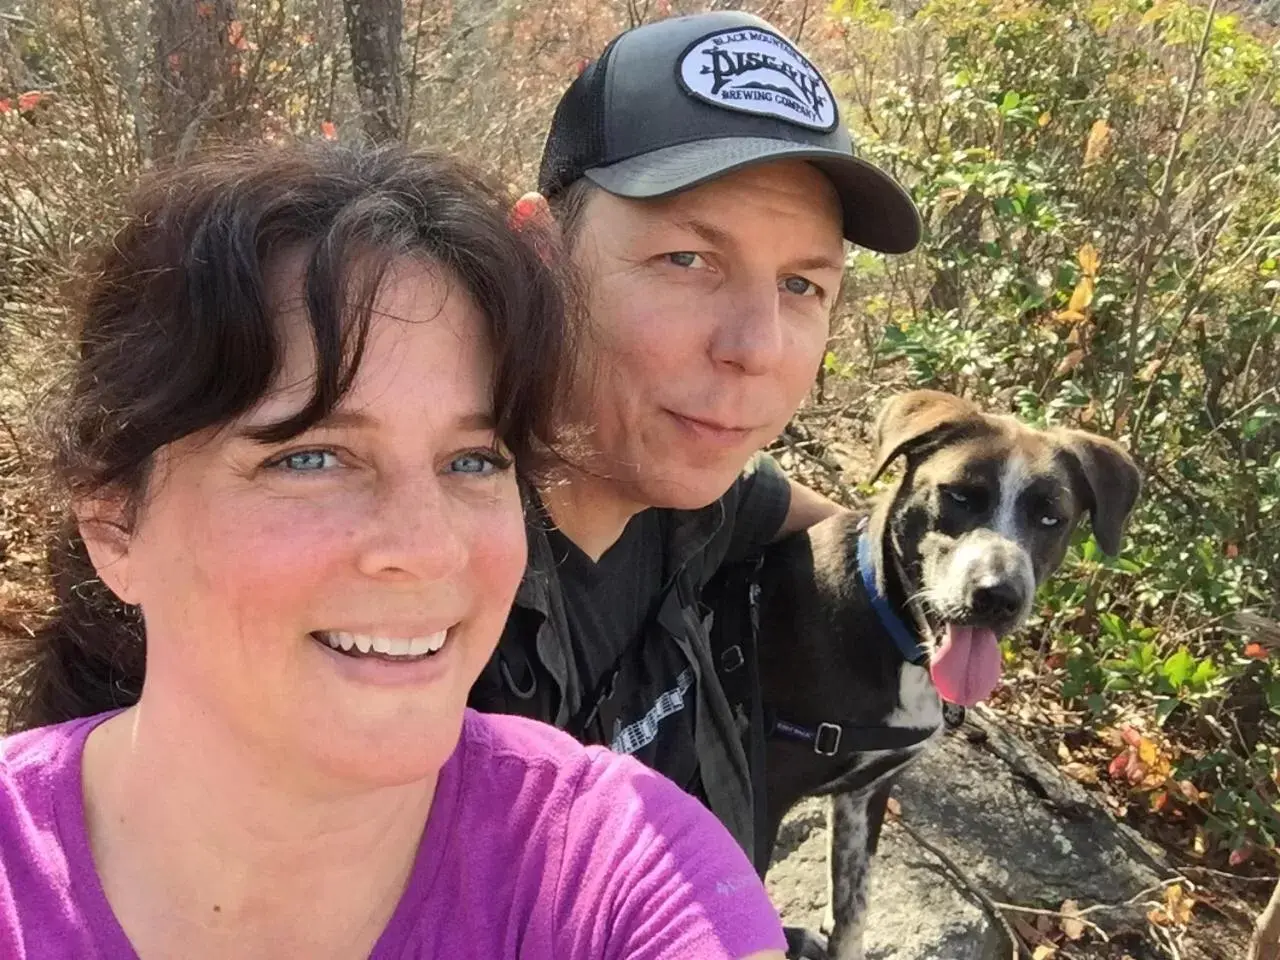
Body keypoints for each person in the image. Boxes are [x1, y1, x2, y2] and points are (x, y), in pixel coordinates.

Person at [0, 143, 788, 960]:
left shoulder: (612, 870)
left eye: (473, 462)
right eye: (310, 457)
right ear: (112, 522)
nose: (428, 548)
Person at [469, 7, 923, 874]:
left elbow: (833, 533)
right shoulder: (426, 587)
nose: (756, 349)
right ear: (539, 251)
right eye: (688, 260)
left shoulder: (701, 496)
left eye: (801, 285)